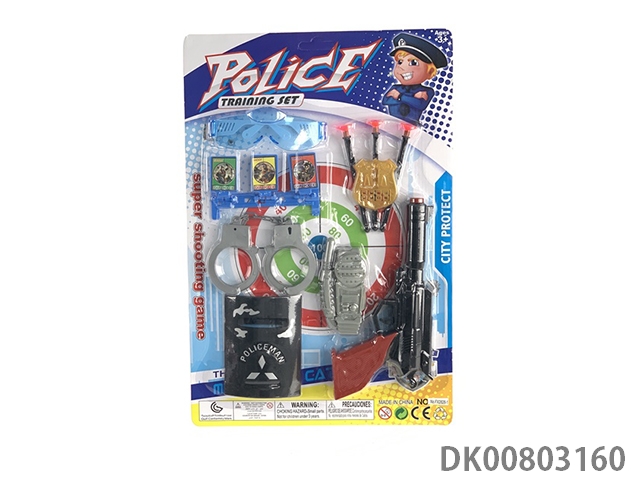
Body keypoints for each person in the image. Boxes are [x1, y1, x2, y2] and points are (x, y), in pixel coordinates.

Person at [382, 33, 448, 125]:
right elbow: (385, 101)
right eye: (400, 62)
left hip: (412, 127)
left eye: (413, 62)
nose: (402, 67)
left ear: (430, 71)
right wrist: (411, 99)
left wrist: (399, 96)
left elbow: (420, 105)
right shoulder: (395, 87)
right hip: (392, 124)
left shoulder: (427, 91)